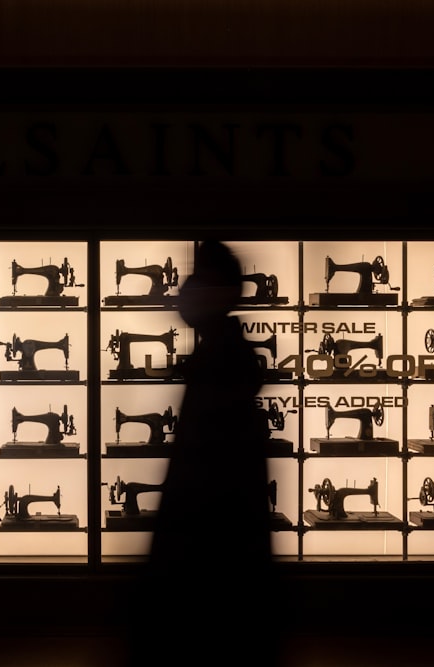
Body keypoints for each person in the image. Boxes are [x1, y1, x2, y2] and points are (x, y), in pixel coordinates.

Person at [130, 239, 275, 665]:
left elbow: (205, 495)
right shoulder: (223, 362)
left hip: (207, 586)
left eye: (194, 282)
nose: (181, 291)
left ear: (221, 293)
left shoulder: (220, 370)